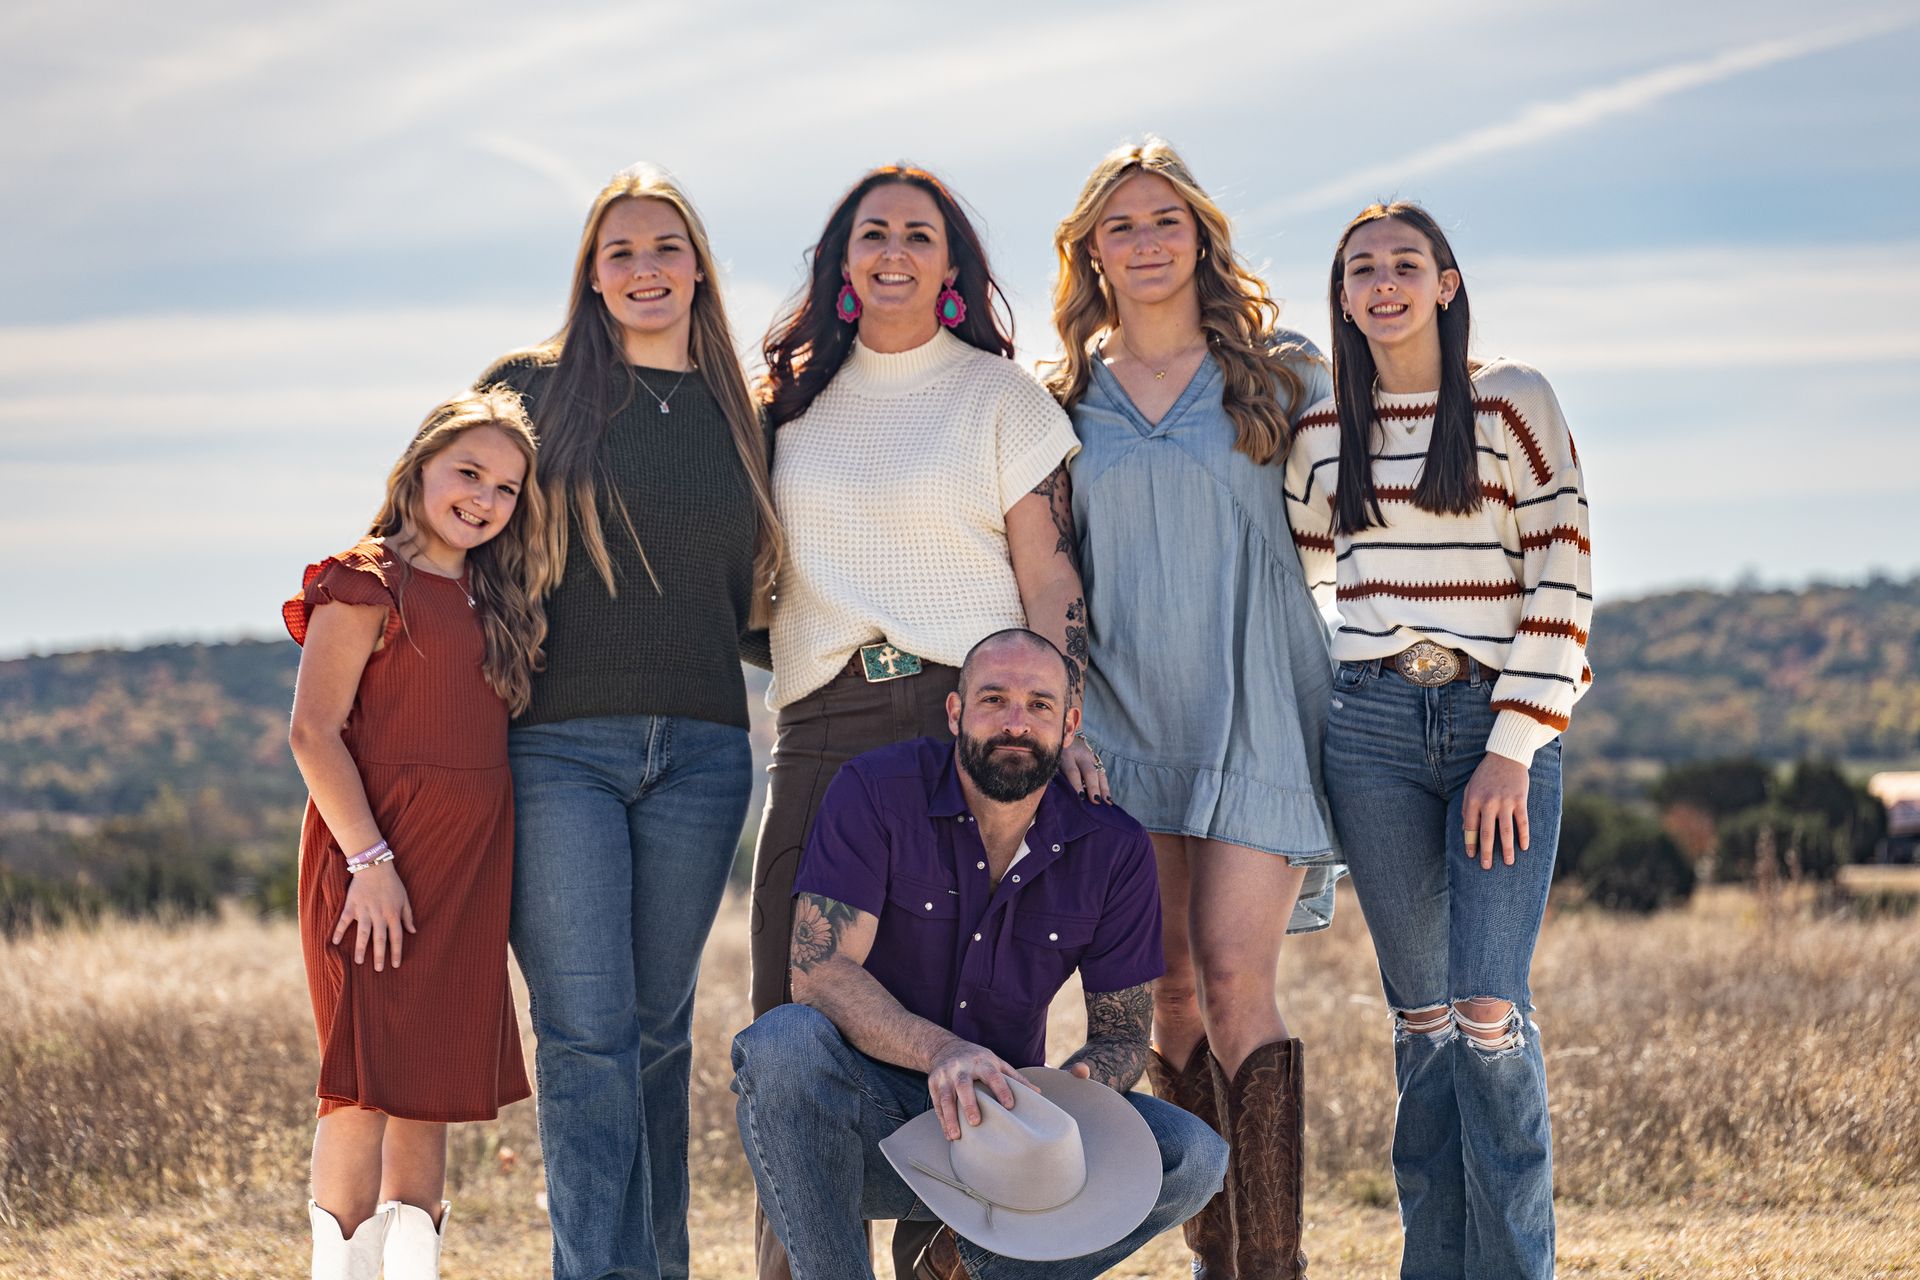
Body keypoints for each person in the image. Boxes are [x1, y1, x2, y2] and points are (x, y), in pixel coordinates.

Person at [475, 163, 782, 1280]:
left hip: (705, 751)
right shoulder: (529, 389)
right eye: (621, 251)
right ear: (592, 275)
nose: (645, 269)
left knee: (658, 1030)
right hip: (558, 747)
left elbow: (761, 597)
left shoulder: (748, 417)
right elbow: (452, 525)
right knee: (584, 1028)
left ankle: (657, 1264)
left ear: (698, 264)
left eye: (666, 247)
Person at [1044, 136, 1340, 1277]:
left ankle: (1273, 1263)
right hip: (1119, 722)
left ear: (1202, 236)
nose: (1147, 241)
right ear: (1093, 253)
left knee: (1234, 980)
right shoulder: (1061, 400)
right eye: (1122, 225)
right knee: (1161, 987)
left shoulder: (1281, 374)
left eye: (1166, 219)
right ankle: (1215, 1253)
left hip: (1256, 706)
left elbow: (1396, 460)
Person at [1285, 201, 1593, 1280]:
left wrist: (1512, 744)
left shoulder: (1513, 404)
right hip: (1368, 727)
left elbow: (1562, 574)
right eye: (1360, 268)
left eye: (1405, 264)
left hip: (1497, 725)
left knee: (1487, 1010)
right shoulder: (1323, 435)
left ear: (1447, 284)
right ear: (1341, 295)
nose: (1383, 283)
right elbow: (1287, 575)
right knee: (1420, 1021)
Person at [730, 630, 1229, 1280]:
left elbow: (1124, 1036)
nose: (1016, 723)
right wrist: (942, 1052)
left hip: (1005, 1134)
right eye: (994, 700)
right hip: (870, 1123)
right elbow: (818, 975)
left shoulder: (1114, 847)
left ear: (1069, 723)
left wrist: (1068, 1095)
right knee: (781, 1045)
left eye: (1039, 706)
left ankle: (963, 1266)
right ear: (955, 712)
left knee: (1189, 1155)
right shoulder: (877, 791)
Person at [284, 387, 548, 1280]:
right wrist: (371, 863)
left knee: (427, 1093)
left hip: (464, 878)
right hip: (375, 866)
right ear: (419, 470)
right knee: (363, 1090)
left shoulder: (493, 595)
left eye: (508, 488)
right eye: (468, 473)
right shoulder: (365, 579)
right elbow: (312, 733)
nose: (485, 498)